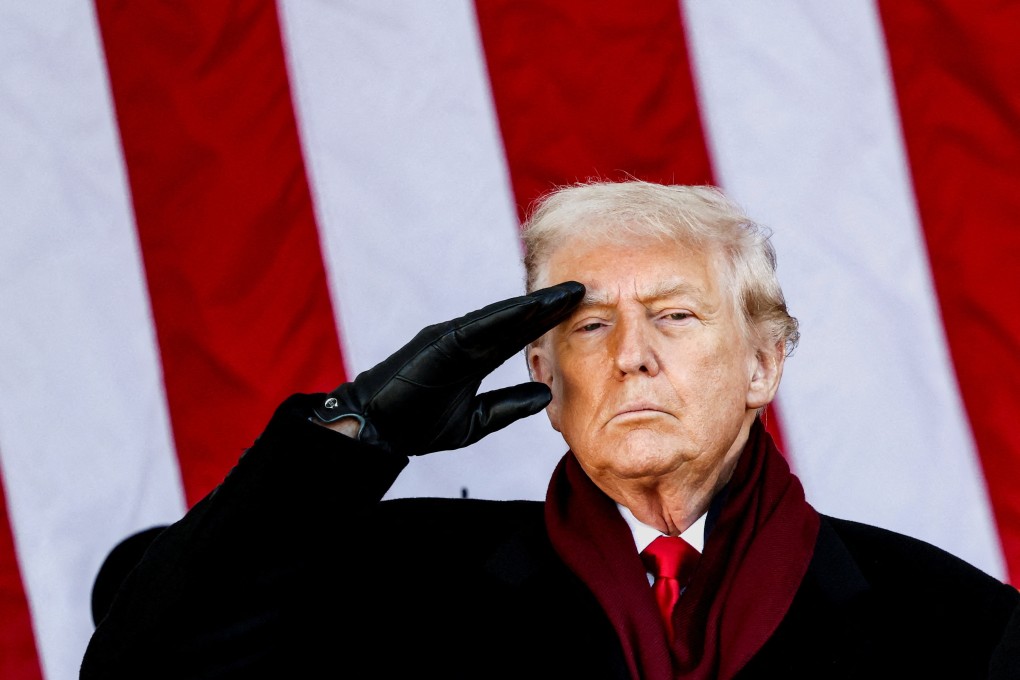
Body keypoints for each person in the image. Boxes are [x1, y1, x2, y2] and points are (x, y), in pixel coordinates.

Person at [81, 180, 1019, 679]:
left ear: (764, 366)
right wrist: (354, 432)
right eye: (588, 326)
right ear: (542, 373)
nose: (632, 356)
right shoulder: (390, 582)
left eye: (676, 316)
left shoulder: (950, 621)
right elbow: (146, 662)